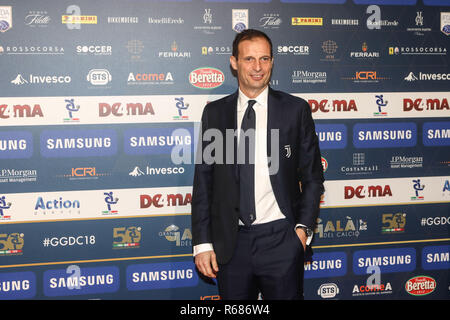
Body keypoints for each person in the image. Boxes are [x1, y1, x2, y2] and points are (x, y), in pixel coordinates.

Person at [191, 29, 324, 300]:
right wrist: (202, 243)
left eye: (264, 59)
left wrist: (302, 231)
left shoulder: (295, 109)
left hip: (282, 240)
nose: (257, 67)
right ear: (234, 62)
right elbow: (204, 182)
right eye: (249, 59)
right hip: (231, 244)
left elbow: (313, 176)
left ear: (272, 62)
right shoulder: (215, 113)